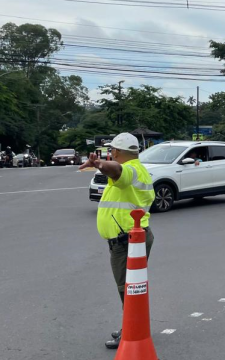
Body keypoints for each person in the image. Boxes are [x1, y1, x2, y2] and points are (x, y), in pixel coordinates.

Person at [78, 133, 154, 350]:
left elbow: (118, 170)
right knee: (130, 288)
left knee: (128, 289)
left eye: (112, 150)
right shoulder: (137, 169)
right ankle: (134, 327)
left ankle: (133, 330)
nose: (110, 154)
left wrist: (99, 164)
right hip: (128, 239)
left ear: (117, 152)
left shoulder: (131, 170)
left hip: (127, 241)